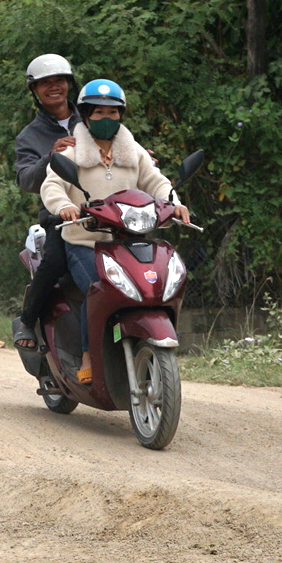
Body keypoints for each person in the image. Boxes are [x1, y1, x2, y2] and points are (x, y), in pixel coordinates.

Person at [39, 79, 190, 385]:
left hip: (128, 242)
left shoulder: (134, 152)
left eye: (112, 112)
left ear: (121, 114)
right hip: (85, 242)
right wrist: (64, 206)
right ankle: (87, 355)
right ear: (86, 116)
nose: (106, 118)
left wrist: (174, 204)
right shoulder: (72, 153)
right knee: (98, 288)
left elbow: (156, 181)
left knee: (153, 284)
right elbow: (52, 185)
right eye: (98, 113)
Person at [11, 54, 81, 351]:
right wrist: (50, 156)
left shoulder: (94, 118)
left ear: (69, 83)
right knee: (54, 261)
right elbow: (26, 180)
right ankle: (27, 319)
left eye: (59, 80)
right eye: (45, 83)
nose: (54, 87)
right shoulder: (30, 136)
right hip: (60, 216)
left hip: (107, 212)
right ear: (35, 90)